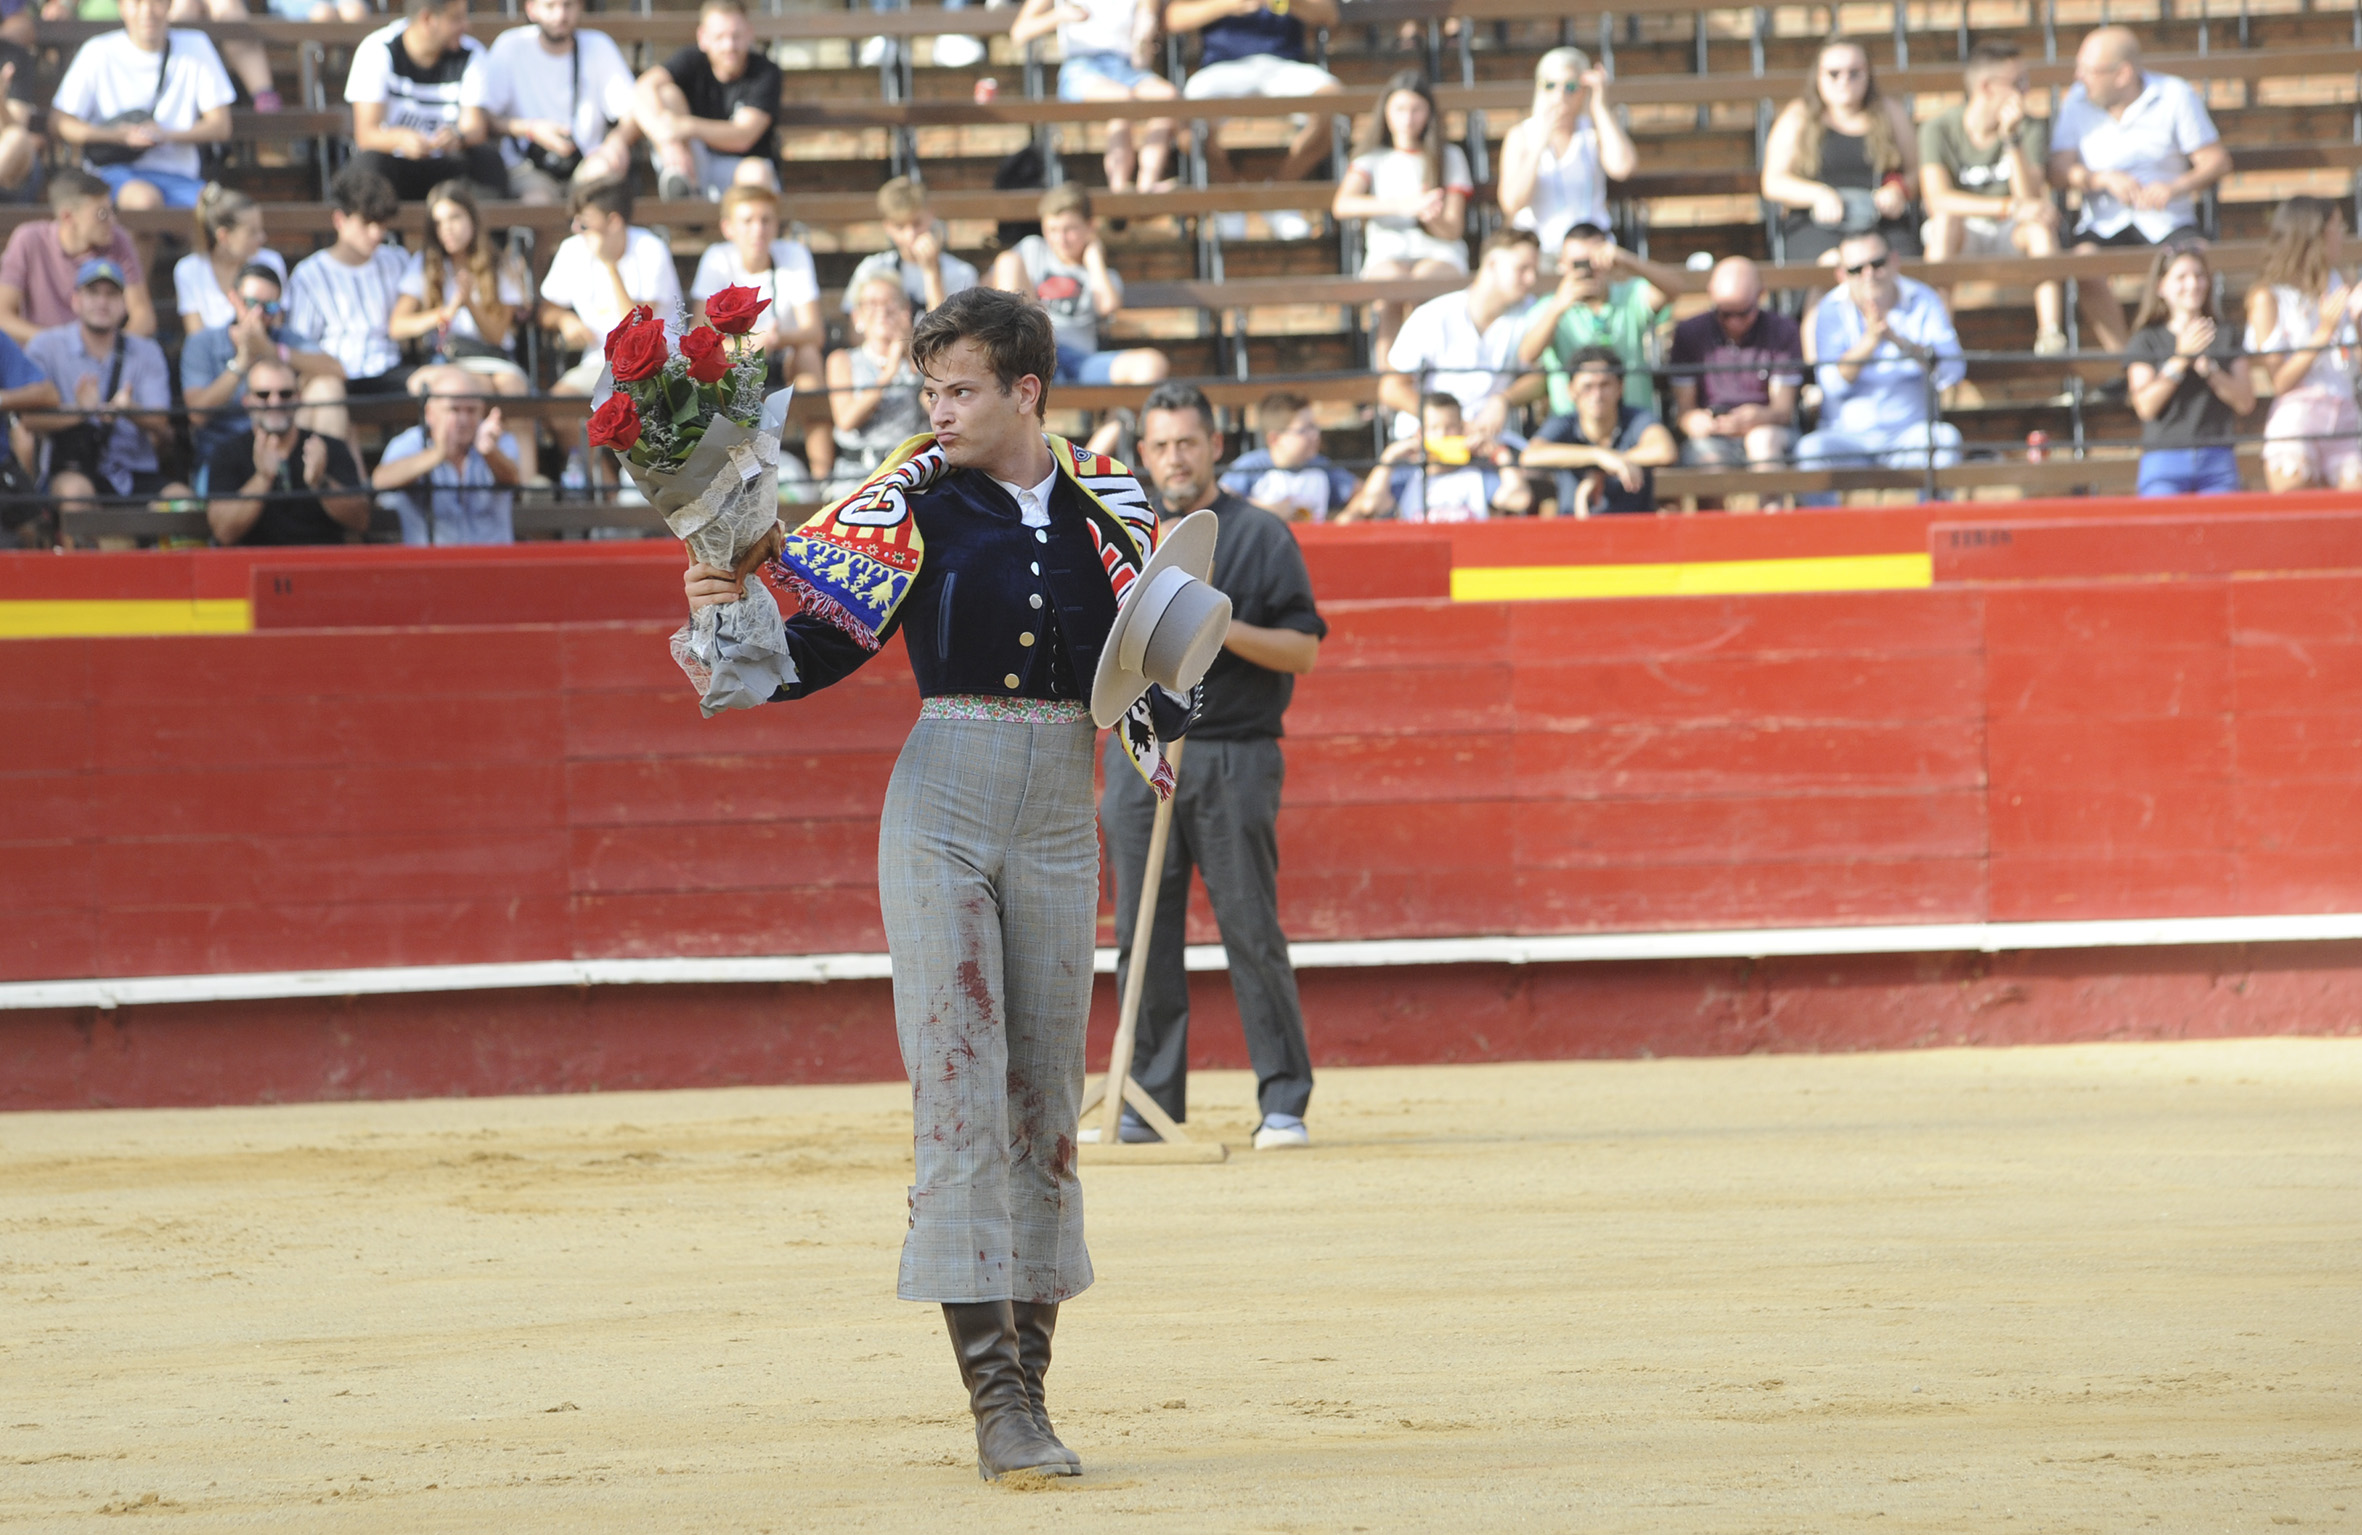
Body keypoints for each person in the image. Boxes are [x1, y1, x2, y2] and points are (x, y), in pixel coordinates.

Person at [681, 285, 1191, 1482]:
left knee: (1042, 1099)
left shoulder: (1111, 502)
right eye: (929, 389)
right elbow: (820, 651)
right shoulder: (914, 499)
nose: (937, 411)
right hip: (944, 806)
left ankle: (1034, 1383)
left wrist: (1176, 695)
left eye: (960, 389)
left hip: (1062, 809)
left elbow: (1162, 669)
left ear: (1027, 390)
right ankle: (997, 1400)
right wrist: (728, 614)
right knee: (960, 1083)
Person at [1099, 380, 1325, 1149]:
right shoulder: (1122, 539)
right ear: (1142, 454)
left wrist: (1214, 625)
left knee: (1249, 925)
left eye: (1187, 442)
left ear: (1215, 445)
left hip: (1232, 752)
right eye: (1160, 445)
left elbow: (1303, 648)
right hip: (1140, 753)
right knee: (1142, 930)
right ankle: (1146, 1101)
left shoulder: (1261, 536)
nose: (1174, 457)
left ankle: (1283, 1099)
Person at [2048, 27, 2231, 353]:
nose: (2079, 78)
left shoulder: (2174, 95)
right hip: (2103, 222)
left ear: (2123, 74)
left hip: (2168, 220)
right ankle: (2129, 362)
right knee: (2083, 264)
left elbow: (2216, 162)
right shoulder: (2076, 101)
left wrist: (2174, 187)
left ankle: (2192, 356)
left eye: (2089, 71)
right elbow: (2057, 170)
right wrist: (2099, 179)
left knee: (2193, 268)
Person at [1918, 41, 2064, 353]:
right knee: (1943, 224)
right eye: (2018, 82)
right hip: (1966, 230)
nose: (2026, 90)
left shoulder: (2030, 127)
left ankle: (2051, 333)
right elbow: (1937, 199)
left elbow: (2032, 198)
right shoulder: (1939, 128)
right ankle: (1938, 338)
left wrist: (2012, 140)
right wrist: (2006, 206)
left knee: (2040, 228)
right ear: (1987, 87)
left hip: (2012, 232)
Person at [23, 257, 185, 518]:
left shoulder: (147, 351)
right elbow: (28, 421)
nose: (102, 302)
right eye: (93, 292)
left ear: (124, 305)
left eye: (111, 294)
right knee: (76, 493)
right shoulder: (45, 347)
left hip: (134, 472)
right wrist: (80, 411)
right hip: (72, 469)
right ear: (75, 300)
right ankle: (75, 558)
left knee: (182, 502)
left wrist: (129, 409)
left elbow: (161, 420)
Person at [1796, 230, 1966, 473]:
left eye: (1877, 264)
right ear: (1841, 274)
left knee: (1946, 441)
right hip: (1846, 437)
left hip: (1911, 434)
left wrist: (1899, 341)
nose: (1869, 275)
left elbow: (1953, 370)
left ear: (1894, 261)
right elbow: (1831, 385)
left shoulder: (1924, 299)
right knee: (1810, 451)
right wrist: (1869, 343)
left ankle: (1930, 513)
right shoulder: (1830, 309)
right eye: (1856, 269)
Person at [1333, 71, 1472, 364]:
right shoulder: (1370, 159)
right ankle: (1389, 382)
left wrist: (1428, 215)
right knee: (1391, 288)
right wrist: (1402, 205)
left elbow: (1452, 229)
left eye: (1416, 109)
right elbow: (1343, 204)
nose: (1408, 118)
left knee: (1424, 284)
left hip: (1438, 252)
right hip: (1388, 252)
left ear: (1429, 113)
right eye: (1399, 109)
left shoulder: (1450, 157)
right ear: (1385, 113)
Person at [47, 0, 234, 211]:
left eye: (155, 2)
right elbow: (60, 122)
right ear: (121, 7)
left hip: (181, 176)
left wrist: (166, 135)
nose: (147, 11)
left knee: (222, 213)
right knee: (144, 201)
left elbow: (221, 126)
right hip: (113, 172)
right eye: (136, 2)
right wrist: (117, 136)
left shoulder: (196, 44)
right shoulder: (97, 50)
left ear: (169, 5)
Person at [694, 184, 826, 471]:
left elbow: (814, 331)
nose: (758, 230)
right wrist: (750, 345)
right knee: (712, 370)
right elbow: (698, 337)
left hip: (784, 357)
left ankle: (821, 475)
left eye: (766, 220)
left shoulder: (794, 255)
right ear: (728, 228)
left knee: (809, 358)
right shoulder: (716, 259)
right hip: (734, 364)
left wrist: (777, 338)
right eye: (748, 221)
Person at [1760, 37, 1921, 266]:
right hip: (1815, 223)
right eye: (1834, 73)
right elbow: (1773, 182)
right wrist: (1818, 194)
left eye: (1854, 72)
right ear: (1818, 76)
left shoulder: (1890, 113)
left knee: (1894, 266)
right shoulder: (1799, 117)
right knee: (1831, 266)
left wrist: (1898, 190)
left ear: (1868, 75)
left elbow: (1916, 173)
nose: (1844, 81)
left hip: (1878, 221)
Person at [460, 0, 639, 204]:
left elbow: (632, 113)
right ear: (531, 9)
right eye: (550, 6)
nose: (560, 15)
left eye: (568, 5)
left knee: (603, 178)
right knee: (537, 203)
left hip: (587, 164)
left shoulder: (599, 46)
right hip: (527, 167)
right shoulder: (510, 46)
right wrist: (531, 130)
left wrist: (616, 143)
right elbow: (483, 118)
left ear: (580, 6)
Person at [988, 185, 1169, 386]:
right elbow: (987, 286)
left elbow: (1108, 305)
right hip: (1033, 355)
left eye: (1070, 229)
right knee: (1007, 260)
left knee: (1153, 364)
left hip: (1082, 362)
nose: (1060, 239)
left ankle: (1117, 417)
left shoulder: (1103, 275)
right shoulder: (1032, 250)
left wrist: (1094, 258)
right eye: (1052, 230)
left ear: (1090, 226)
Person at [1381, 227, 1543, 446]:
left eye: (1534, 270)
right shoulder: (1434, 315)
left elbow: (1542, 377)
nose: (1531, 279)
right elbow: (1391, 388)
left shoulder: (1531, 312)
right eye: (1522, 268)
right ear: (1492, 264)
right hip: (1427, 444)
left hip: (1489, 444)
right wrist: (1446, 421)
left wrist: (1503, 400)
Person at [181, 261, 346, 470]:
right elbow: (197, 415)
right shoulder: (202, 343)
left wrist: (273, 351)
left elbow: (337, 370)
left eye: (269, 307)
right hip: (225, 456)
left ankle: (329, 478)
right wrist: (241, 363)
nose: (259, 314)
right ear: (233, 299)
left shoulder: (283, 338)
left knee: (328, 386)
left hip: (285, 447)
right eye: (251, 303)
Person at [2246, 197, 2362, 493]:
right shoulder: (2268, 297)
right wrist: (2323, 331)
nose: (2343, 234)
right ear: (2316, 233)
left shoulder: (2343, 281)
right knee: (2295, 509)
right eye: (2337, 226)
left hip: (2345, 412)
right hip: (2298, 416)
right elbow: (2280, 381)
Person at [1164, 0, 1343, 190]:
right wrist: (1227, 5)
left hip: (1284, 65)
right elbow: (1173, 18)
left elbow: (1329, 14)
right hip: (1221, 68)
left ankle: (1278, 196)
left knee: (1337, 103)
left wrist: (1283, 2)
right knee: (1184, 118)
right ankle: (1232, 201)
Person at [2125, 242, 2253, 496]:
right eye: (2181, 277)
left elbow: (2245, 402)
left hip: (2217, 459)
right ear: (2161, 286)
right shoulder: (2145, 339)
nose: (2193, 284)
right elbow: (2145, 406)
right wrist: (2180, 360)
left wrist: (2210, 370)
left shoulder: (2227, 334)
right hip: (2163, 459)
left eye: (2199, 276)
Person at [1516, 221, 1683, 416]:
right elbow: (1527, 355)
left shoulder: (1631, 295)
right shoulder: (1548, 306)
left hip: (1632, 420)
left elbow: (1675, 289)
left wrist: (1628, 260)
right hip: (1572, 425)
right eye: (1578, 264)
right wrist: (1558, 308)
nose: (1587, 271)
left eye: (1594, 262)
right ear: (1562, 265)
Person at [346, 0, 506, 203]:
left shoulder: (472, 54)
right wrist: (400, 139)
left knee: (487, 159)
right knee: (367, 164)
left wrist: (457, 137)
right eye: (456, 18)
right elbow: (366, 135)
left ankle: (488, 234)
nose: (466, 26)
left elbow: (475, 128)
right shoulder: (377, 49)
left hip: (448, 166)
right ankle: (369, 233)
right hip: (396, 164)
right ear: (428, 19)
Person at [1009, 0, 1175, 194]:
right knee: (1121, 99)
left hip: (1127, 66)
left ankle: (1147, 183)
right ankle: (1119, 188)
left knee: (1167, 97)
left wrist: (1145, 35)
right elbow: (1019, 32)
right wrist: (1060, 15)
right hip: (1082, 68)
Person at [539, 176, 683, 396]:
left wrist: (610, 266)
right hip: (598, 363)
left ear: (614, 221)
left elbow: (639, 328)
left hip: (655, 364)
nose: (576, 229)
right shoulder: (572, 249)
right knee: (557, 407)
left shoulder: (651, 249)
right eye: (575, 221)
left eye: (584, 223)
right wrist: (563, 319)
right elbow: (545, 310)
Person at [203, 358, 369, 546]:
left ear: (298, 398)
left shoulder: (328, 447)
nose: (275, 402)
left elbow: (361, 520)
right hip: (250, 566)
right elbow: (222, 532)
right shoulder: (227, 452)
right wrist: (262, 479)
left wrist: (321, 483)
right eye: (263, 395)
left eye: (285, 394)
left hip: (318, 564)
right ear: (247, 401)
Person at [390, 180, 533, 395]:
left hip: (494, 359)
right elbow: (398, 326)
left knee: (511, 388)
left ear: (472, 219)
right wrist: (444, 314)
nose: (447, 228)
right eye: (438, 223)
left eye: (455, 217)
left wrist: (469, 303)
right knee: (449, 387)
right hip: (448, 359)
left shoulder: (499, 265)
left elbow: (496, 336)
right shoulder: (424, 264)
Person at [633, 0, 782, 202]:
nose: (729, 45)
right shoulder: (690, 59)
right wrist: (666, 139)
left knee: (756, 174)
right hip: (694, 161)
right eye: (720, 37)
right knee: (666, 94)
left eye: (736, 36)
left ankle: (693, 205)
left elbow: (743, 136)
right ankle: (684, 189)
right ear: (703, 38)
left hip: (741, 166)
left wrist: (686, 126)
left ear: (749, 34)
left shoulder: (765, 73)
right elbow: (644, 86)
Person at [1496, 47, 1636, 262]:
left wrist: (1599, 106)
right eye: (1550, 85)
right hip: (1539, 251)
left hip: (1591, 247)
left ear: (1583, 91)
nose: (1559, 95)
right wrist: (1538, 146)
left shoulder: (1592, 131)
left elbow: (1622, 168)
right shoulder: (1521, 135)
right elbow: (1511, 203)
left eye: (1571, 87)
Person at [1666, 255, 1802, 469]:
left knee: (1763, 442)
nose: (1734, 322)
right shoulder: (1689, 333)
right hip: (1711, 435)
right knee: (1707, 458)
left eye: (1743, 313)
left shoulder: (1783, 331)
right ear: (1711, 295)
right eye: (1725, 313)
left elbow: (1783, 411)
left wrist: (1758, 417)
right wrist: (1696, 422)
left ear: (1761, 295)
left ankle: (1771, 504)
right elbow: (1685, 411)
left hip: (1768, 429)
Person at [286, 166, 411, 397]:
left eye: (382, 224)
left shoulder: (398, 260)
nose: (376, 234)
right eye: (366, 223)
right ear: (339, 220)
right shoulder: (309, 274)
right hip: (334, 375)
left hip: (392, 371)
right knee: (326, 394)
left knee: (444, 384)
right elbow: (301, 343)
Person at [0, 171, 155, 344]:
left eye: (113, 211)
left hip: (103, 358)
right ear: (68, 217)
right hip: (44, 358)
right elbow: (3, 316)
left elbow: (143, 316)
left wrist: (110, 353)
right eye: (102, 214)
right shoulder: (29, 239)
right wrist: (57, 346)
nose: (112, 221)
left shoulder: (118, 239)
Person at [371, 368, 522, 543]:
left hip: (492, 563)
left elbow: (514, 481)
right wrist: (436, 455)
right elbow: (380, 481)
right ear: (430, 413)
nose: (464, 420)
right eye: (454, 410)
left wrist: (490, 453)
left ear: (482, 411)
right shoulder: (410, 443)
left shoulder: (497, 440)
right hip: (430, 565)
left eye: (471, 410)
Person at [1522, 345, 1677, 516]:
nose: (1597, 395)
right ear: (1571, 390)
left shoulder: (1637, 418)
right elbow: (1530, 456)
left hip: (1634, 530)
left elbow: (1665, 450)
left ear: (1620, 387)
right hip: (1574, 532)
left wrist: (1605, 469)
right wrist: (1599, 456)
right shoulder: (1563, 423)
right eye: (1588, 386)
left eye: (1604, 385)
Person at [1341, 391, 1531, 521]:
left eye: (1449, 428)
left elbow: (1519, 499)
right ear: (1420, 434)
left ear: (1462, 430)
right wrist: (1389, 457)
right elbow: (1370, 504)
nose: (1442, 435)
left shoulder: (1478, 475)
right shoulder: (1408, 476)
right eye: (1434, 429)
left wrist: (1501, 455)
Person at [825, 275, 924, 496]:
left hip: (911, 473)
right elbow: (846, 420)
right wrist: (888, 374)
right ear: (857, 316)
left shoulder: (921, 363)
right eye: (872, 304)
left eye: (890, 303)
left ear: (906, 311)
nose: (882, 311)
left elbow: (935, 409)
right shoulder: (842, 360)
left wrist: (912, 360)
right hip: (857, 477)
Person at [843, 177, 980, 320]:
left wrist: (931, 271)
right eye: (900, 226)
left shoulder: (962, 273)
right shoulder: (871, 269)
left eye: (917, 223)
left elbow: (946, 335)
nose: (910, 235)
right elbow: (855, 332)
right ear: (887, 227)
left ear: (930, 215)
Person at [1216, 390, 1357, 521]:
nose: (1315, 435)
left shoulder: (1321, 467)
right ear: (1275, 439)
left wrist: (1347, 517)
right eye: (1304, 429)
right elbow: (1221, 498)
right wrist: (1268, 510)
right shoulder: (1252, 466)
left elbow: (1360, 492)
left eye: (1314, 426)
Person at [174, 184, 284, 336]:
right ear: (224, 236)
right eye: (252, 232)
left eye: (260, 229)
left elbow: (276, 329)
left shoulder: (272, 262)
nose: (262, 237)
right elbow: (196, 339)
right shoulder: (188, 269)